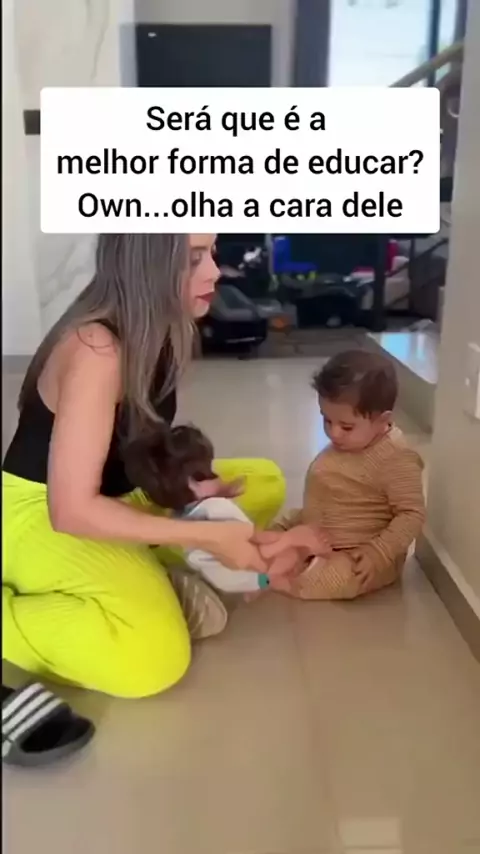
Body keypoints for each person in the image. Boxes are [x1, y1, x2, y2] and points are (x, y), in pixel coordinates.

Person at [2, 234, 285, 699]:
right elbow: (70, 511)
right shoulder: (98, 349)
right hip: (40, 515)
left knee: (265, 482)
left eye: (211, 254)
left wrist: (190, 485)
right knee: (155, 660)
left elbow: (140, 446)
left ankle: (147, 572)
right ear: (146, 265)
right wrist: (208, 536)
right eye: (194, 259)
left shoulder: (165, 328)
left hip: (116, 493)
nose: (215, 272)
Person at [258, 350, 426, 599]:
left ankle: (283, 578)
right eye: (327, 421)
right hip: (319, 522)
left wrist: (377, 553)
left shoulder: (396, 457)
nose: (334, 433)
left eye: (346, 426)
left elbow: (411, 514)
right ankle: (271, 553)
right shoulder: (351, 441)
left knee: (338, 578)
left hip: (356, 551)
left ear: (383, 421)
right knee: (277, 531)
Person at [124, 423, 270, 594]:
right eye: (209, 473)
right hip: (244, 571)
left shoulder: (179, 514)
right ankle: (265, 582)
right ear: (192, 484)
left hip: (230, 574)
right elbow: (249, 536)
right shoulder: (215, 508)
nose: (218, 477)